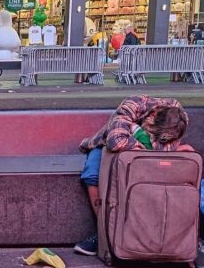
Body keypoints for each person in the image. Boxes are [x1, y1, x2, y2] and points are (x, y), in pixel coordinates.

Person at [73, 96, 195, 256]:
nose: (154, 137)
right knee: (92, 175)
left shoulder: (178, 117)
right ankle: (104, 234)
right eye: (153, 133)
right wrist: (147, 146)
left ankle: (159, 236)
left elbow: (166, 147)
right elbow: (116, 141)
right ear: (151, 117)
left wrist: (156, 148)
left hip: (146, 151)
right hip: (105, 145)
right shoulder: (131, 105)